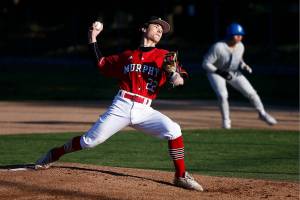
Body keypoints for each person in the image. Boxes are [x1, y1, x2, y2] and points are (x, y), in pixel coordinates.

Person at [35, 16, 203, 191]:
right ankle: (55, 153)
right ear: (144, 29)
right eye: (156, 26)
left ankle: (181, 176)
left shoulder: (163, 56)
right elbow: (101, 64)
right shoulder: (127, 55)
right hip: (121, 105)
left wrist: (176, 76)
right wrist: (92, 37)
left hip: (145, 109)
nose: (160, 30)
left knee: (174, 130)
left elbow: (179, 75)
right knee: (89, 141)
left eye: (163, 29)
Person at [202, 22, 277, 129]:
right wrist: (220, 72)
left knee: (251, 92)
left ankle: (262, 113)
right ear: (230, 35)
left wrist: (244, 65)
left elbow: (238, 58)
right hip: (215, 72)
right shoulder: (218, 47)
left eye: (241, 35)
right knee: (223, 95)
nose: (239, 37)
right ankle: (226, 122)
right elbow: (205, 64)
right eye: (237, 35)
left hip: (232, 72)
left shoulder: (240, 46)